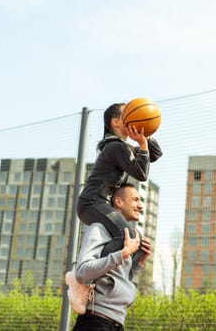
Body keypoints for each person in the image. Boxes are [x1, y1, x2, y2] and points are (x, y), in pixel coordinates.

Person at [77, 102, 162, 249]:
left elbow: (155, 154)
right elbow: (141, 174)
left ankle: (119, 271)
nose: (132, 116)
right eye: (127, 114)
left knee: (139, 244)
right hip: (91, 203)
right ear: (115, 122)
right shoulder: (115, 146)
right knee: (127, 236)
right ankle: (94, 270)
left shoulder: (121, 147)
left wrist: (144, 131)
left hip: (98, 203)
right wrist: (142, 145)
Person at [72, 183, 152, 330]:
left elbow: (120, 279)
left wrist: (139, 262)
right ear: (119, 202)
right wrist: (123, 254)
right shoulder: (99, 229)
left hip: (117, 322)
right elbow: (82, 272)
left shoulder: (126, 237)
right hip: (95, 322)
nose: (140, 206)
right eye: (135, 200)